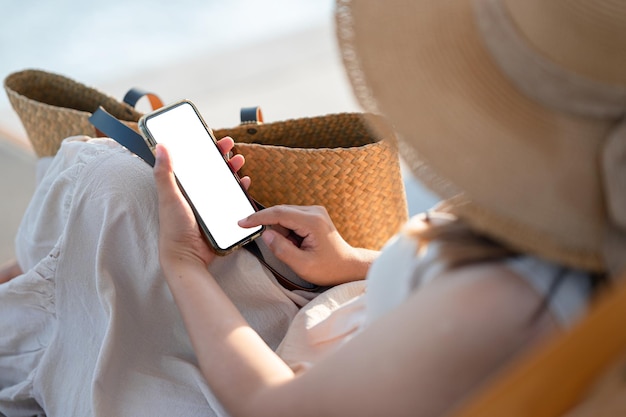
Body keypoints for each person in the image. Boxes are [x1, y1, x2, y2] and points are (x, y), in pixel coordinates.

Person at [2, 0, 625, 416]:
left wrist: (183, 263)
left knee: (113, 189)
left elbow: (274, 407)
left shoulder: (508, 302)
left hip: (277, 368)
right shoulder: (565, 235)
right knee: (118, 201)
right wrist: (355, 261)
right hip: (332, 319)